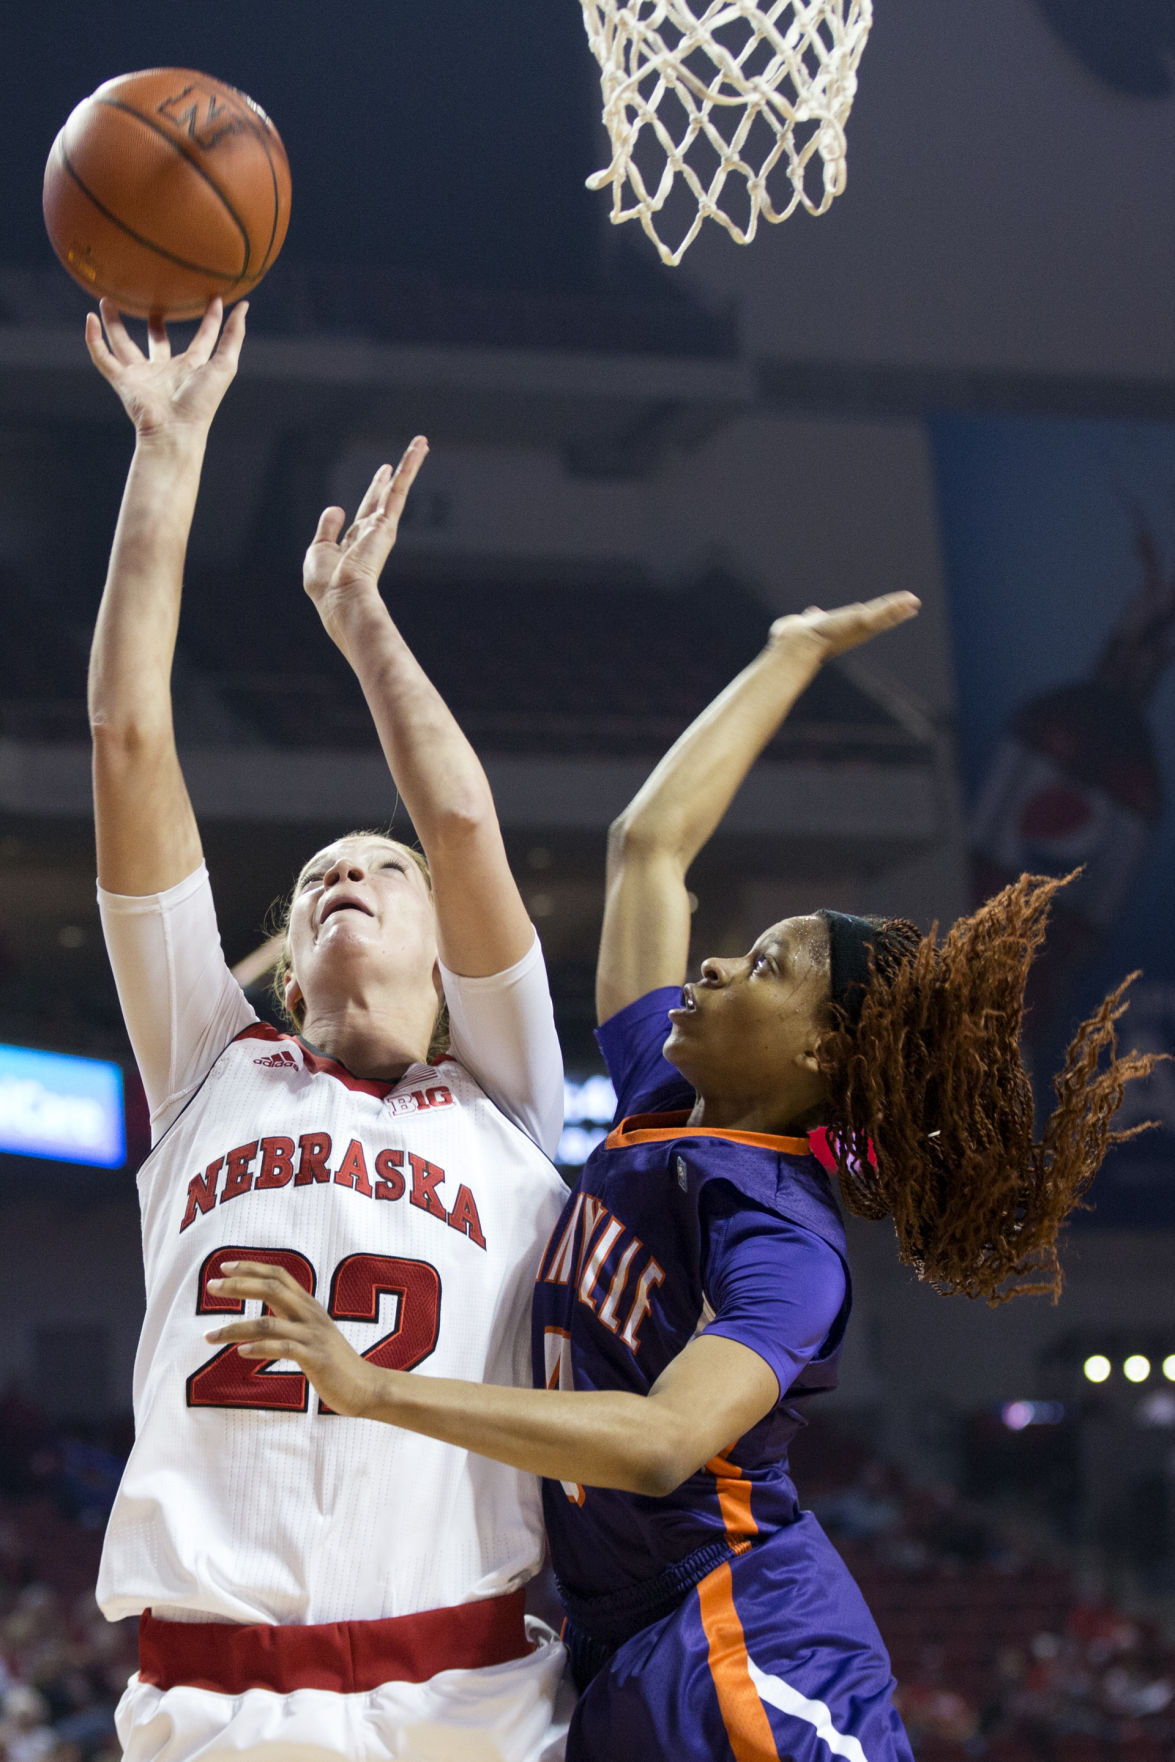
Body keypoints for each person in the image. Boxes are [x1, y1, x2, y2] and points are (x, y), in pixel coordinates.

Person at [210, 591, 1161, 1762]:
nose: (712, 964)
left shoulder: (782, 1238)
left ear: (819, 1051)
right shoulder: (664, 1104)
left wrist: (374, 1389)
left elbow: (665, 1439)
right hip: (615, 1640)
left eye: (761, 966)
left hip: (748, 1632)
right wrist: (786, 654)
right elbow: (648, 847)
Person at [84, 297, 569, 1762]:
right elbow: (127, 738)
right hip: (209, 1696)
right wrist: (167, 455)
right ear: (289, 967)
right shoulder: (207, 1069)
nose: (346, 874)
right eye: (314, 879)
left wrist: (361, 622)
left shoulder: (505, 1093)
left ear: (445, 944)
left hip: (464, 1693)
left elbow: (463, 816)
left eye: (381, 869)